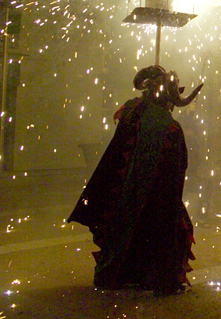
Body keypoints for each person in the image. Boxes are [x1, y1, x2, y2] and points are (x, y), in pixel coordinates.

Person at [68, 65, 202, 296]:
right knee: (170, 229)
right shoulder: (168, 126)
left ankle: (122, 275)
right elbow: (176, 168)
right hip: (153, 195)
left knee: (128, 229)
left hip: (122, 191)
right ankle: (162, 280)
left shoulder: (132, 111)